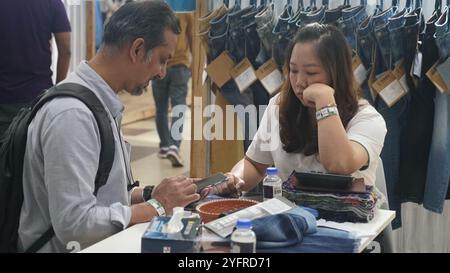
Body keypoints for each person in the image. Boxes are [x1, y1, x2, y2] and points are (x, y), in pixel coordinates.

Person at [18, 1, 201, 253]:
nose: (162, 73)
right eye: (162, 60)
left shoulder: (98, 102)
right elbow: (74, 224)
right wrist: (157, 206)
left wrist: (151, 193)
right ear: (137, 49)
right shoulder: (73, 115)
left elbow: (102, 195)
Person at [208, 23, 387, 196]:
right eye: (293, 71)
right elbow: (255, 164)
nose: (299, 82)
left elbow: (338, 164)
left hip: (347, 222)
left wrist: (325, 100)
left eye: (311, 73)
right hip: (289, 218)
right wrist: (235, 178)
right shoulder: (279, 106)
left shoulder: (367, 118)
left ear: (336, 73)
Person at [0, 0, 71, 136]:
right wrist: (58, 91)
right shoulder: (52, 3)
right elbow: (65, 50)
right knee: (34, 153)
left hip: (3, 98)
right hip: (37, 98)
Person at [151, 11, 193, 167]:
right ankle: (174, 145)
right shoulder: (186, 10)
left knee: (160, 109)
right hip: (180, 65)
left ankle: (164, 145)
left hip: (159, 64)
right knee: (179, 107)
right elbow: (192, 37)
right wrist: (194, 65)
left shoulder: (158, 7)